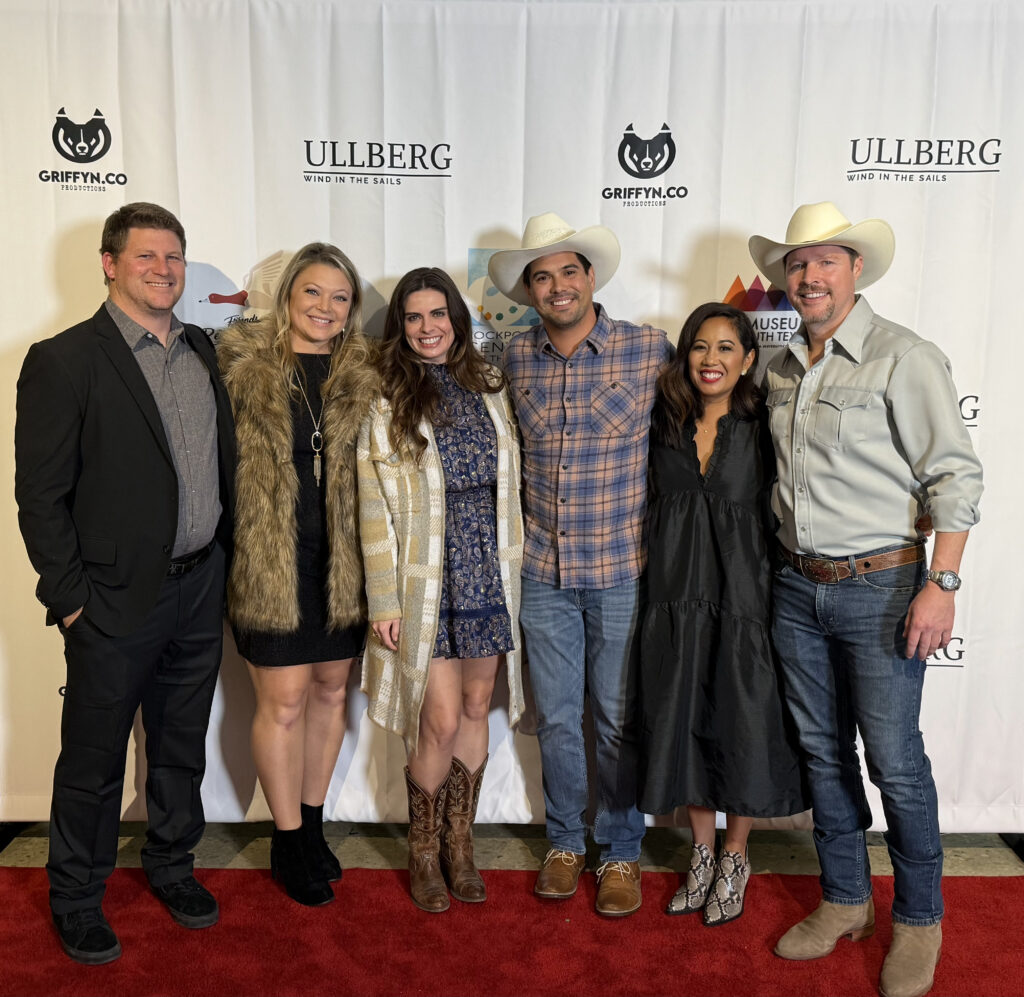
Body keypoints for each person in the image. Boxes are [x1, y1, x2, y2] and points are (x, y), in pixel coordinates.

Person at [749, 202, 983, 997]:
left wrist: (940, 583)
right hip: (793, 584)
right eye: (797, 264)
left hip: (882, 586)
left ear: (854, 270)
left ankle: (919, 917)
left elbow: (955, 476)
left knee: (895, 762)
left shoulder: (902, 355)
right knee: (821, 752)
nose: (808, 277)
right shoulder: (779, 364)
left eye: (825, 262)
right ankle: (846, 899)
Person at [14, 202, 236, 965]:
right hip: (109, 601)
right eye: (146, 256)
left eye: (174, 256)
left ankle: (171, 864)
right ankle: (76, 895)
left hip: (200, 586)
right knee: (94, 759)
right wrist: (70, 598)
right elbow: (39, 496)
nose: (164, 269)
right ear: (109, 263)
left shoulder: (206, 350)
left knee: (180, 747)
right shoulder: (64, 359)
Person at [489, 213, 672, 917]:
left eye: (569, 271)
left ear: (591, 278)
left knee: (618, 719)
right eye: (543, 276)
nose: (558, 285)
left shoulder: (647, 348)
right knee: (559, 719)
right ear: (530, 290)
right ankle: (565, 842)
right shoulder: (514, 358)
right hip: (542, 573)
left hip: (623, 568)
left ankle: (620, 850)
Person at [357, 267, 525, 913]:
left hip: (490, 567)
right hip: (424, 578)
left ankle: (462, 843)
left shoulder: (491, 385)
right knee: (441, 718)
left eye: (438, 314)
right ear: (400, 326)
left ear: (457, 318)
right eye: (414, 317)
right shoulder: (385, 397)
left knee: (479, 708)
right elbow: (371, 504)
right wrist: (384, 599)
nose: (428, 328)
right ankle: (423, 849)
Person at [217, 242, 378, 906]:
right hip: (267, 566)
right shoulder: (238, 369)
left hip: (344, 567)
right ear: (286, 296)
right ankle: (286, 838)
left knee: (331, 697)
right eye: (313, 292)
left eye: (340, 297)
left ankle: (312, 826)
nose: (325, 307)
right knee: (281, 704)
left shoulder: (366, 375)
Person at [637, 302, 806, 926]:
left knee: (742, 726)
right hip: (674, 601)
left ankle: (737, 856)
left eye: (726, 348)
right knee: (680, 723)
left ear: (749, 359)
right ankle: (700, 855)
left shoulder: (767, 426)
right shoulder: (662, 422)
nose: (711, 360)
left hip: (744, 604)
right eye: (700, 348)